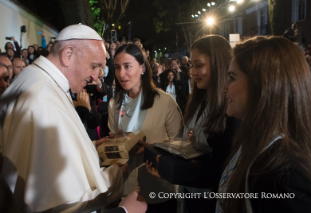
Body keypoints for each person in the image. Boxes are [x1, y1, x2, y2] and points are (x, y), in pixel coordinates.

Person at [0, 24, 147, 213]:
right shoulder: (42, 99)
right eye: (94, 66)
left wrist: (90, 147)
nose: (96, 76)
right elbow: (59, 203)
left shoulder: (37, 81)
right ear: (68, 54)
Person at [217, 36, 311, 213]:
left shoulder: (285, 172)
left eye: (232, 78)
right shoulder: (253, 142)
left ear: (263, 86)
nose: (224, 87)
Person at [146, 35, 240, 213]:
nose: (192, 72)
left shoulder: (230, 110)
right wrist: (171, 152)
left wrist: (177, 173)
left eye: (199, 65)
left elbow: (221, 170)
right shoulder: (199, 101)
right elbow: (193, 144)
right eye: (192, 66)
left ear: (218, 64)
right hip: (190, 195)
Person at [108, 44, 182, 213]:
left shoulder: (165, 101)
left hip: (159, 189)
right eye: (117, 67)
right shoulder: (115, 104)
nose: (121, 74)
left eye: (127, 66)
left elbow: (180, 144)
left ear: (142, 68)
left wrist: (151, 148)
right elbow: (113, 142)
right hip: (127, 193)